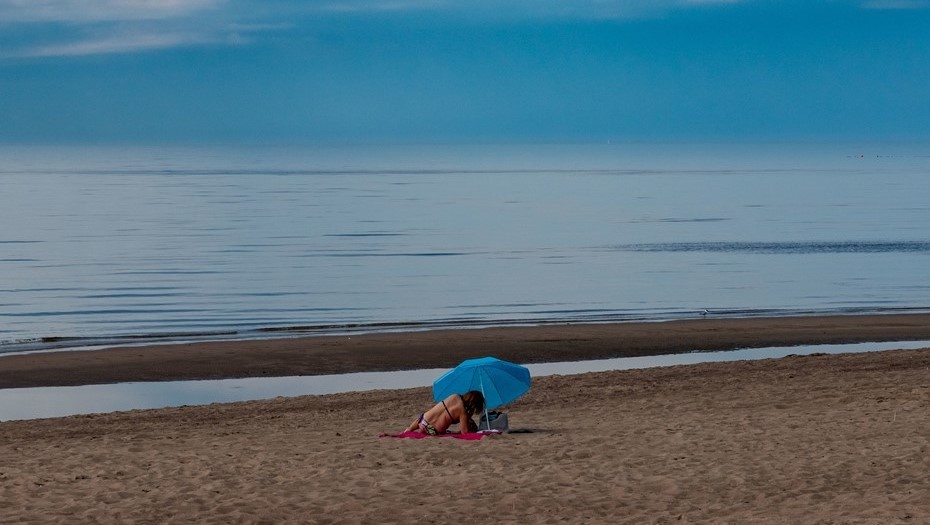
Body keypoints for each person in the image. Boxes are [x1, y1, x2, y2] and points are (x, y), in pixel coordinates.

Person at [406, 390, 485, 435]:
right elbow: (465, 432)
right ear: (473, 404)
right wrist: (468, 417)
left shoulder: (455, 396)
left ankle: (409, 430)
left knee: (416, 429)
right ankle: (421, 431)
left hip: (421, 420)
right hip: (432, 430)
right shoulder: (462, 411)